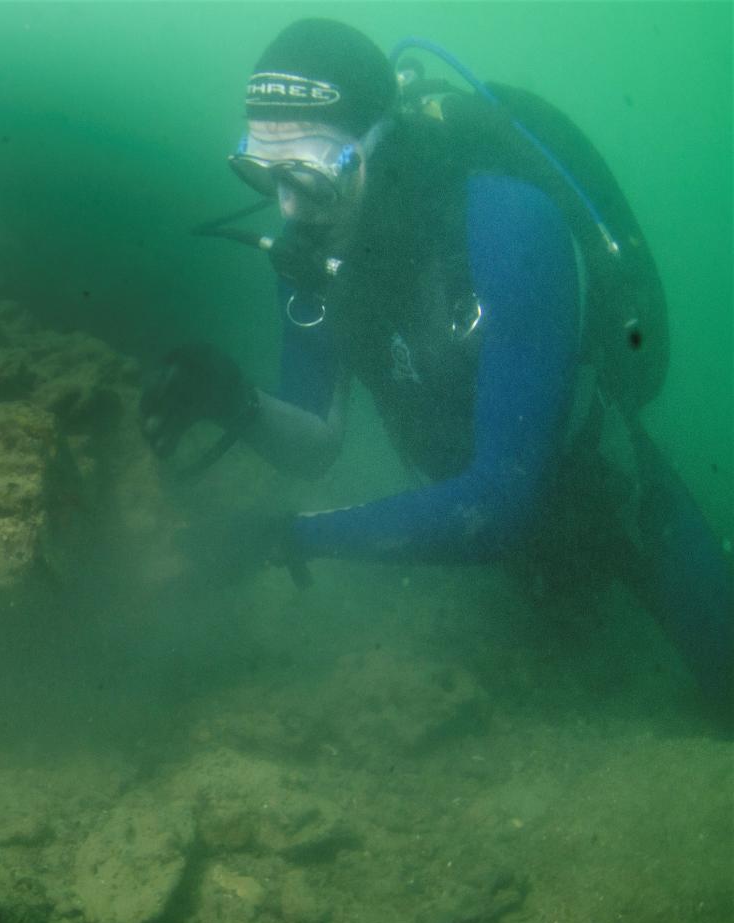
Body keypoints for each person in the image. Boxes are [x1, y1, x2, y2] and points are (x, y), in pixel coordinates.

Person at [138, 18, 733, 720]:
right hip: (470, 523)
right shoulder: (309, 248)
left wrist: (290, 536)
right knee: (561, 643)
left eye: (308, 173)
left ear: (379, 145)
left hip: (606, 498)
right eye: (262, 174)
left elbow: (498, 505)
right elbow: (319, 446)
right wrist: (237, 402)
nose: (289, 206)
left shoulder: (509, 224)